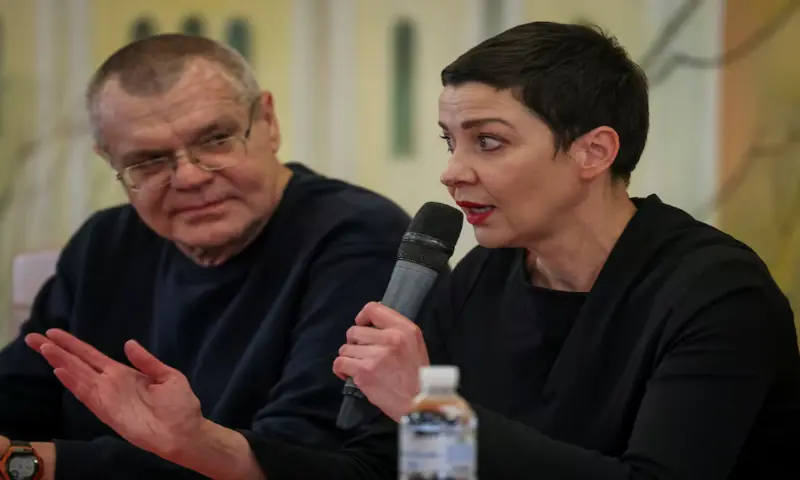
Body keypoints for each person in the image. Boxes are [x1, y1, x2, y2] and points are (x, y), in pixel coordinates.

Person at [23, 21, 800, 480]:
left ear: (594, 151)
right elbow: (406, 472)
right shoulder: (482, 276)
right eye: (450, 140)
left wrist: (429, 405)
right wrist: (202, 444)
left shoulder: (713, 292)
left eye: (488, 142)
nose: (453, 170)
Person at [0, 34, 413, 479]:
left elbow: (297, 454)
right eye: (149, 161)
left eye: (216, 140)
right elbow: (20, 393)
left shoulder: (359, 237)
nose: (190, 177)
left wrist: (33, 465)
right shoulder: (105, 242)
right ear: (110, 160)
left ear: (269, 121)